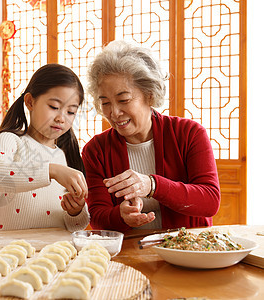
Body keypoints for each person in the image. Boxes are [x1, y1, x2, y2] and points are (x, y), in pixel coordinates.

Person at [82, 41, 220, 232]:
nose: (114, 112)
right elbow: (97, 216)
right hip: (129, 253)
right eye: (105, 102)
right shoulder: (96, 150)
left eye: (124, 100)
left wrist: (153, 185)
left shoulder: (189, 133)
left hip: (187, 250)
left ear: (149, 94)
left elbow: (210, 201)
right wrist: (120, 216)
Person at [0, 63, 90, 232]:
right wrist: (51, 171)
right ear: (30, 102)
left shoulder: (65, 156)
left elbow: (75, 227)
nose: (61, 118)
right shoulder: (10, 140)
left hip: (51, 254)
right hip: (6, 254)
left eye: (71, 112)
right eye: (54, 107)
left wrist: (75, 212)